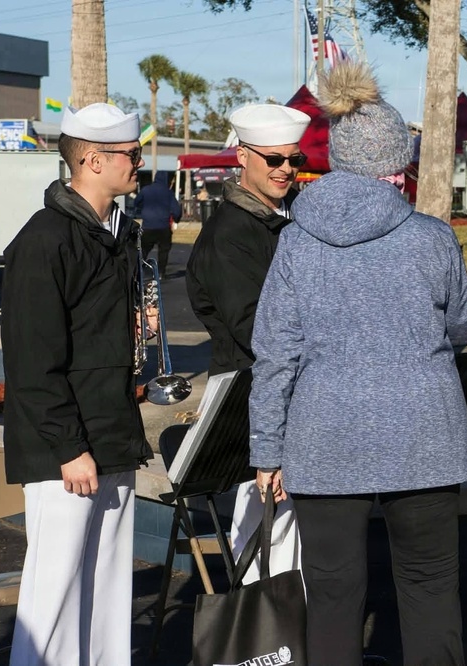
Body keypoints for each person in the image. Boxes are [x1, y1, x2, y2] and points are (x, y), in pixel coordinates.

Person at [248, 61, 467, 665]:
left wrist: (266, 448)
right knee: (430, 588)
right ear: (397, 164)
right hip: (423, 429)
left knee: (331, 594)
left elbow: (275, 352)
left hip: (324, 432)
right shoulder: (431, 238)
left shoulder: (296, 240)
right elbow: (461, 326)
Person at [2, 103, 152, 665]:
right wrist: (70, 448)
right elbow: (32, 360)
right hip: (66, 447)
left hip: (108, 433)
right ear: (93, 159)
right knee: (56, 594)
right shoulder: (47, 239)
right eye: (133, 155)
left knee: (107, 590)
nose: (140, 165)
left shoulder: (108, 235)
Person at [186, 102, 310, 582]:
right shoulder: (231, 233)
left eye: (294, 160)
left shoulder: (292, 218)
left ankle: (289, 638)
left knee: (290, 529)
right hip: (248, 392)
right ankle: (255, 644)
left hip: (290, 390)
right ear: (242, 157)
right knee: (257, 525)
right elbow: (254, 327)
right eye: (273, 159)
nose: (286, 170)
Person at [134, 170, 182, 277]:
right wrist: (176, 219)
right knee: (164, 250)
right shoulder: (168, 192)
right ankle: (160, 272)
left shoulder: (146, 190)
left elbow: (136, 202)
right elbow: (176, 210)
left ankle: (137, 270)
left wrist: (144, 209)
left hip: (148, 226)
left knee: (144, 250)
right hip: (163, 226)